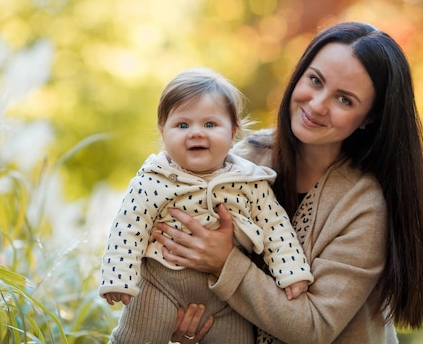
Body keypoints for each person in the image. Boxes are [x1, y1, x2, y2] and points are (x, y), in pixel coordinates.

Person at [155, 22, 423, 344]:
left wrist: (225, 263)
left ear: (369, 118)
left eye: (344, 100)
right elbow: (188, 261)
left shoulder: (365, 206)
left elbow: (313, 328)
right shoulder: (242, 159)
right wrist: (183, 320)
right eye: (315, 80)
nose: (317, 105)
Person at [99, 68, 314, 344]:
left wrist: (292, 271)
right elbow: (128, 226)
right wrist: (119, 278)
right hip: (160, 284)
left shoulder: (249, 180)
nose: (196, 134)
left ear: (233, 133)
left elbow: (275, 225)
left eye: (210, 125)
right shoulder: (153, 179)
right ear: (163, 132)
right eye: (183, 125)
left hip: (227, 295)